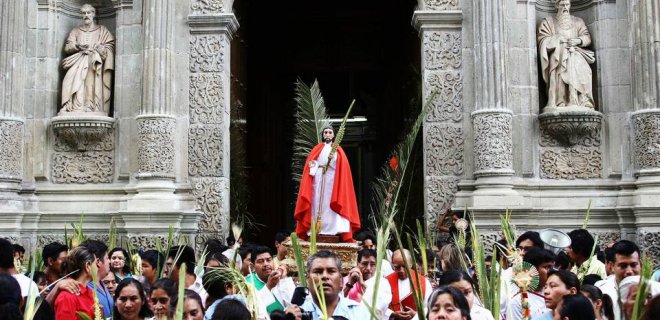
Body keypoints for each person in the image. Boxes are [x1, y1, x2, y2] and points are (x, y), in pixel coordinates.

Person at [294, 126, 361, 242]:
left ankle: (331, 230)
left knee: (329, 204)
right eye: (326, 132)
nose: (328, 134)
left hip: (331, 181)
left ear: (333, 135)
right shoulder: (317, 149)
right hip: (318, 179)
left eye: (330, 132)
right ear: (323, 135)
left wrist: (334, 158)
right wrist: (312, 165)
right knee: (316, 202)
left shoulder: (337, 150)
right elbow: (311, 162)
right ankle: (314, 230)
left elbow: (342, 166)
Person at [537, 0, 595, 111]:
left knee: (586, 70)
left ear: (570, 5)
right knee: (563, 60)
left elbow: (587, 37)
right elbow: (542, 39)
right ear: (556, 5)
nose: (565, 7)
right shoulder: (549, 22)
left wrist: (578, 41)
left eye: (567, 4)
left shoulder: (578, 21)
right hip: (558, 57)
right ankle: (560, 100)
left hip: (576, 52)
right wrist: (557, 40)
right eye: (562, 4)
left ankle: (582, 100)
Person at [60, 3, 115, 114]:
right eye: (84, 13)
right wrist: (77, 46)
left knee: (90, 81)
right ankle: (71, 105)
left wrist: (101, 49)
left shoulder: (102, 30)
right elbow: (68, 47)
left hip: (93, 63)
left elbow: (109, 46)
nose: (86, 15)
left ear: (93, 14)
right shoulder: (76, 31)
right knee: (68, 80)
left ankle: (90, 105)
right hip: (78, 61)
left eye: (88, 12)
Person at [285, 250, 371, 319]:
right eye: (318, 272)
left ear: (341, 280)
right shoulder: (294, 314)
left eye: (331, 271)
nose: (325, 276)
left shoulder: (360, 313)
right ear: (308, 280)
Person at [595, 240, 642, 320]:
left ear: (640, 264)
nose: (629, 271)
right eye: (623, 266)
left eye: (633, 265)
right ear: (612, 266)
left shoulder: (654, 291)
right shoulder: (602, 290)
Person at [504, 247, 556, 320]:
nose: (551, 272)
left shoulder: (556, 295)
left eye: (552, 267)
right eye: (547, 267)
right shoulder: (517, 303)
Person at [384, 249, 433, 320]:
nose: (401, 270)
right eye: (397, 267)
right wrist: (392, 314)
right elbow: (379, 307)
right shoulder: (385, 282)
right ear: (392, 264)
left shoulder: (423, 282)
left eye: (405, 266)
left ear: (411, 264)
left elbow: (429, 307)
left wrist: (416, 314)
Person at [244, 245, 294, 314]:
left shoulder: (280, 277)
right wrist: (268, 287)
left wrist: (283, 279)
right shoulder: (248, 283)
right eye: (260, 261)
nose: (266, 264)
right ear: (253, 267)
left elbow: (293, 304)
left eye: (268, 260)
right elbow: (254, 309)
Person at [53, 246, 96, 320]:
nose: (98, 266)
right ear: (87, 266)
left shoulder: (90, 292)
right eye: (96, 263)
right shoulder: (67, 297)